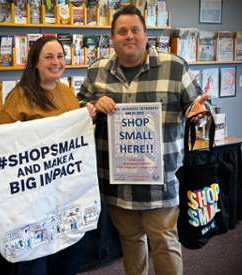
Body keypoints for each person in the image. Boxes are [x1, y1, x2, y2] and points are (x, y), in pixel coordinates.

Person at [77, 5, 208, 275]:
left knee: (164, 243)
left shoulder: (174, 67)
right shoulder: (96, 71)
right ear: (112, 38)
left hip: (159, 182)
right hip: (117, 183)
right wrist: (92, 107)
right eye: (122, 31)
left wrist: (199, 114)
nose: (129, 36)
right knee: (131, 242)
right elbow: (79, 110)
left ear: (145, 35)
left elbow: (196, 108)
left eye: (135, 30)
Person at [0, 36, 95, 275]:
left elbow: (74, 138)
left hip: (63, 193)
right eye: (49, 57)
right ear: (36, 63)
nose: (56, 62)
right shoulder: (19, 96)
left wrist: (87, 120)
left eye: (60, 56)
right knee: (35, 259)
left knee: (65, 256)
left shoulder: (68, 93)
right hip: (32, 199)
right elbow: (5, 142)